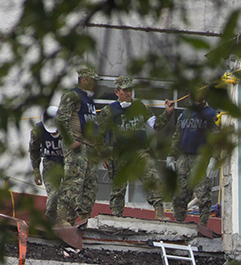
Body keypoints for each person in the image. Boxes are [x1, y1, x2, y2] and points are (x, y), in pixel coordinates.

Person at [101, 75, 165, 219]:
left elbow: (156, 124)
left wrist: (167, 112)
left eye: (130, 90)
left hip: (140, 152)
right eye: (125, 90)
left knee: (152, 178)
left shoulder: (140, 107)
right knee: (118, 188)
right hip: (120, 153)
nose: (129, 93)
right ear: (117, 92)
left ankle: (159, 212)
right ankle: (116, 217)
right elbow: (99, 134)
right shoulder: (109, 111)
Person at [162, 88, 218, 236]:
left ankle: (203, 225)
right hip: (183, 158)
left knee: (203, 194)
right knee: (180, 194)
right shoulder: (184, 114)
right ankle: (179, 224)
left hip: (201, 157)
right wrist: (171, 156)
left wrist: (214, 159)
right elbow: (176, 136)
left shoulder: (212, 114)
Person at [54, 63, 99, 248]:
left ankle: (83, 218)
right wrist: (71, 140)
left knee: (90, 184)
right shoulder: (72, 95)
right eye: (93, 80)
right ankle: (62, 218)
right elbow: (60, 118)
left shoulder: (89, 101)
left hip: (89, 147)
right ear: (84, 79)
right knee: (73, 182)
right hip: (77, 147)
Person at [28, 106, 65, 225]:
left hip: (68, 162)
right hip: (50, 162)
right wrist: (36, 170)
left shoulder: (68, 128)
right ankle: (51, 220)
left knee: (68, 194)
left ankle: (65, 221)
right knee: (53, 194)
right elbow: (34, 150)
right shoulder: (37, 130)